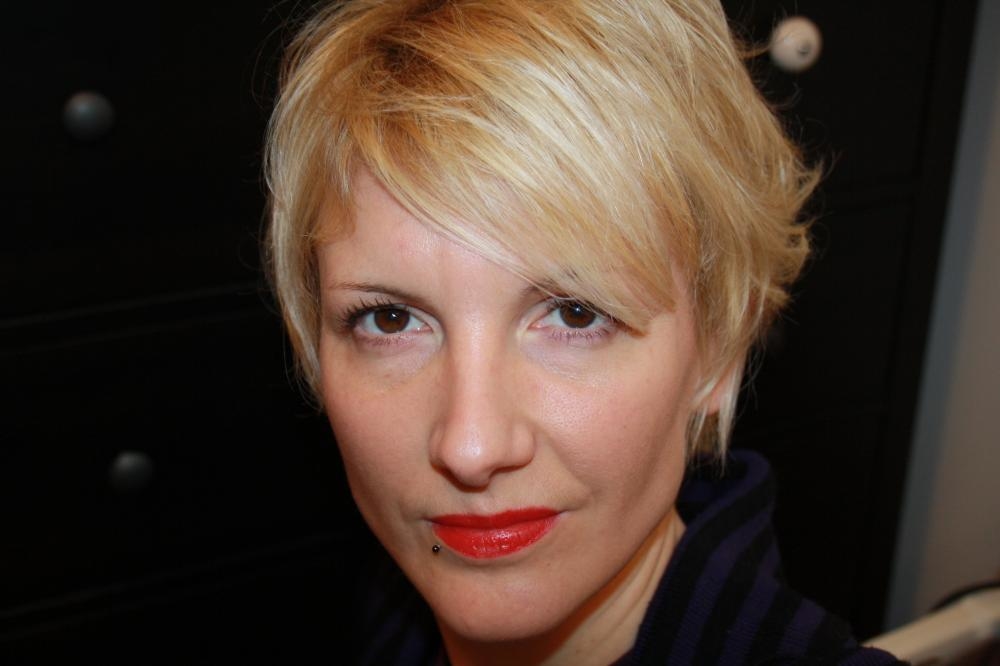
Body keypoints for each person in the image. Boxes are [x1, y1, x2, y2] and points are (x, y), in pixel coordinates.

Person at [264, 0, 903, 663]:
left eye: (576, 314)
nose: (471, 447)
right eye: (390, 320)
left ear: (717, 354)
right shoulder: (385, 616)